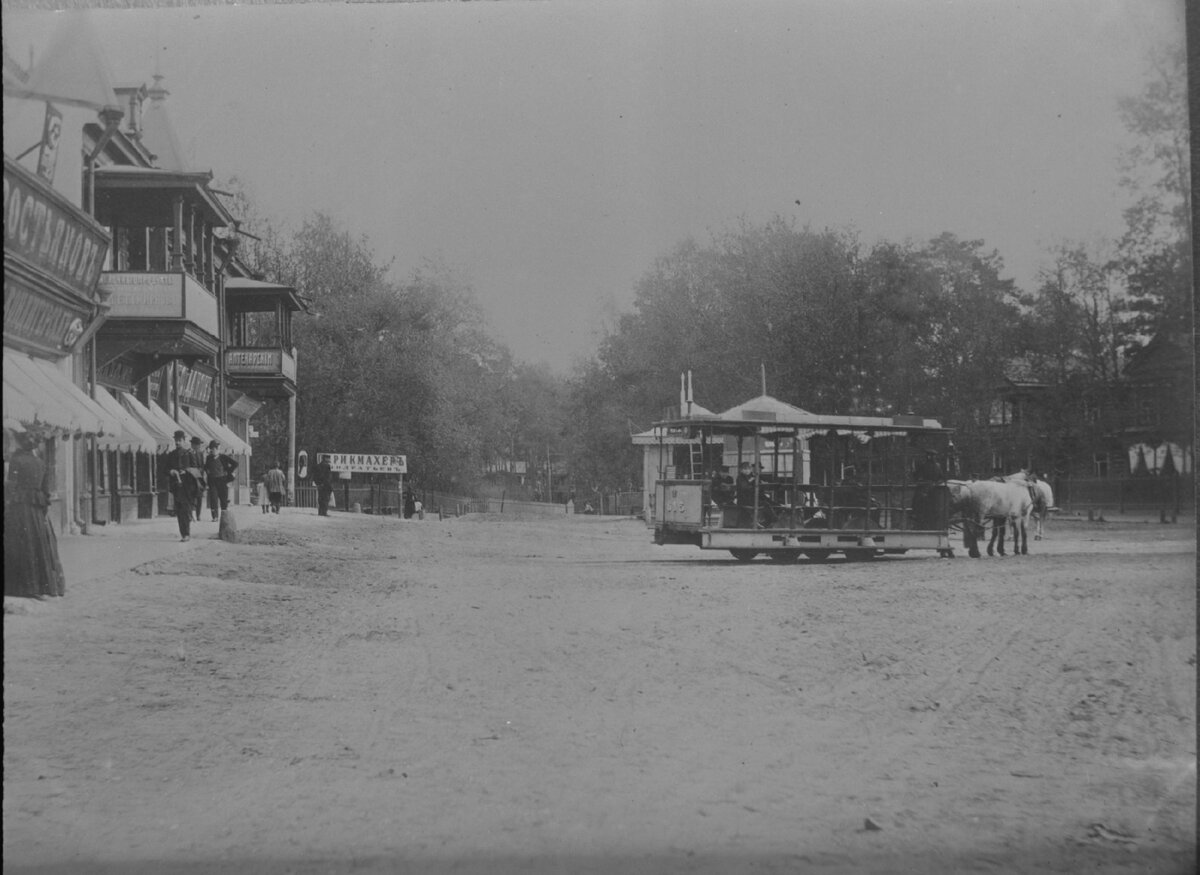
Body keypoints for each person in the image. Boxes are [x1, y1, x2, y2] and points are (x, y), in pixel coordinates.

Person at [4, 430, 66, 598]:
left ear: (20, 443)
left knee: (20, 544)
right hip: (37, 511)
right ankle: (42, 585)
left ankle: (22, 587)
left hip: (20, 508)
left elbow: (11, 487)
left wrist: (7, 502)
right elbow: (46, 491)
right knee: (39, 546)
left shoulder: (16, 461)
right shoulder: (40, 462)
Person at [165, 430, 202, 541]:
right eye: (176, 440)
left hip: (187, 486)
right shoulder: (171, 455)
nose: (177, 442)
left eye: (179, 440)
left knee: (185, 509)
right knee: (179, 510)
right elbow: (164, 469)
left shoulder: (189, 454)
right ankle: (183, 533)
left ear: (184, 441)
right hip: (176, 486)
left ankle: (186, 533)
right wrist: (171, 471)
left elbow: (197, 469)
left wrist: (186, 471)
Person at [203, 440, 238, 521]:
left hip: (222, 480)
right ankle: (215, 516)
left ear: (218, 449)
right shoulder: (209, 458)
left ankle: (224, 516)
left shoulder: (223, 457)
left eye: (214, 449)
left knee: (223, 499)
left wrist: (228, 471)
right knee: (213, 499)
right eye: (211, 449)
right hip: (212, 481)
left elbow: (235, 464)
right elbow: (205, 466)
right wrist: (207, 470)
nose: (212, 451)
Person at [912, 450, 946, 528]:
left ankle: (915, 512)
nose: (933, 457)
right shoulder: (926, 465)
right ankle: (915, 512)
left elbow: (941, 477)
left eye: (934, 456)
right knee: (917, 497)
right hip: (929, 485)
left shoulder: (936, 465)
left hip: (932, 485)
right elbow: (917, 476)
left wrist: (936, 483)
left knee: (917, 496)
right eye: (931, 456)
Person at [188, 436, 207, 520]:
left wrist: (201, 471)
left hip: (199, 479)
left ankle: (198, 515)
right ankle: (191, 515)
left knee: (199, 497)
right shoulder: (188, 453)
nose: (199, 446)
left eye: (199, 445)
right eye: (197, 445)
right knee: (191, 497)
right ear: (193, 445)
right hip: (191, 478)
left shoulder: (200, 453)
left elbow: (202, 465)